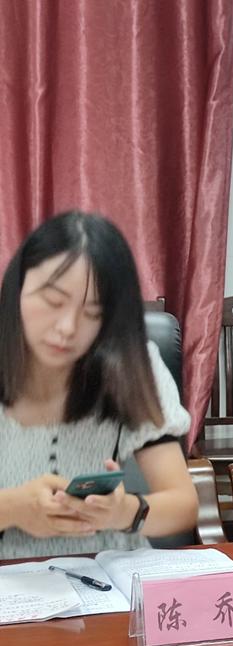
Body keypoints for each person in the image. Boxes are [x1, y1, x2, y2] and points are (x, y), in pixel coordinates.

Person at [0, 211, 198, 559]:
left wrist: (125, 512)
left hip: (106, 575)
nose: (67, 327)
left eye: (92, 313)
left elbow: (183, 505)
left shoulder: (129, 366)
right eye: (53, 301)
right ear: (18, 286)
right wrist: (13, 507)